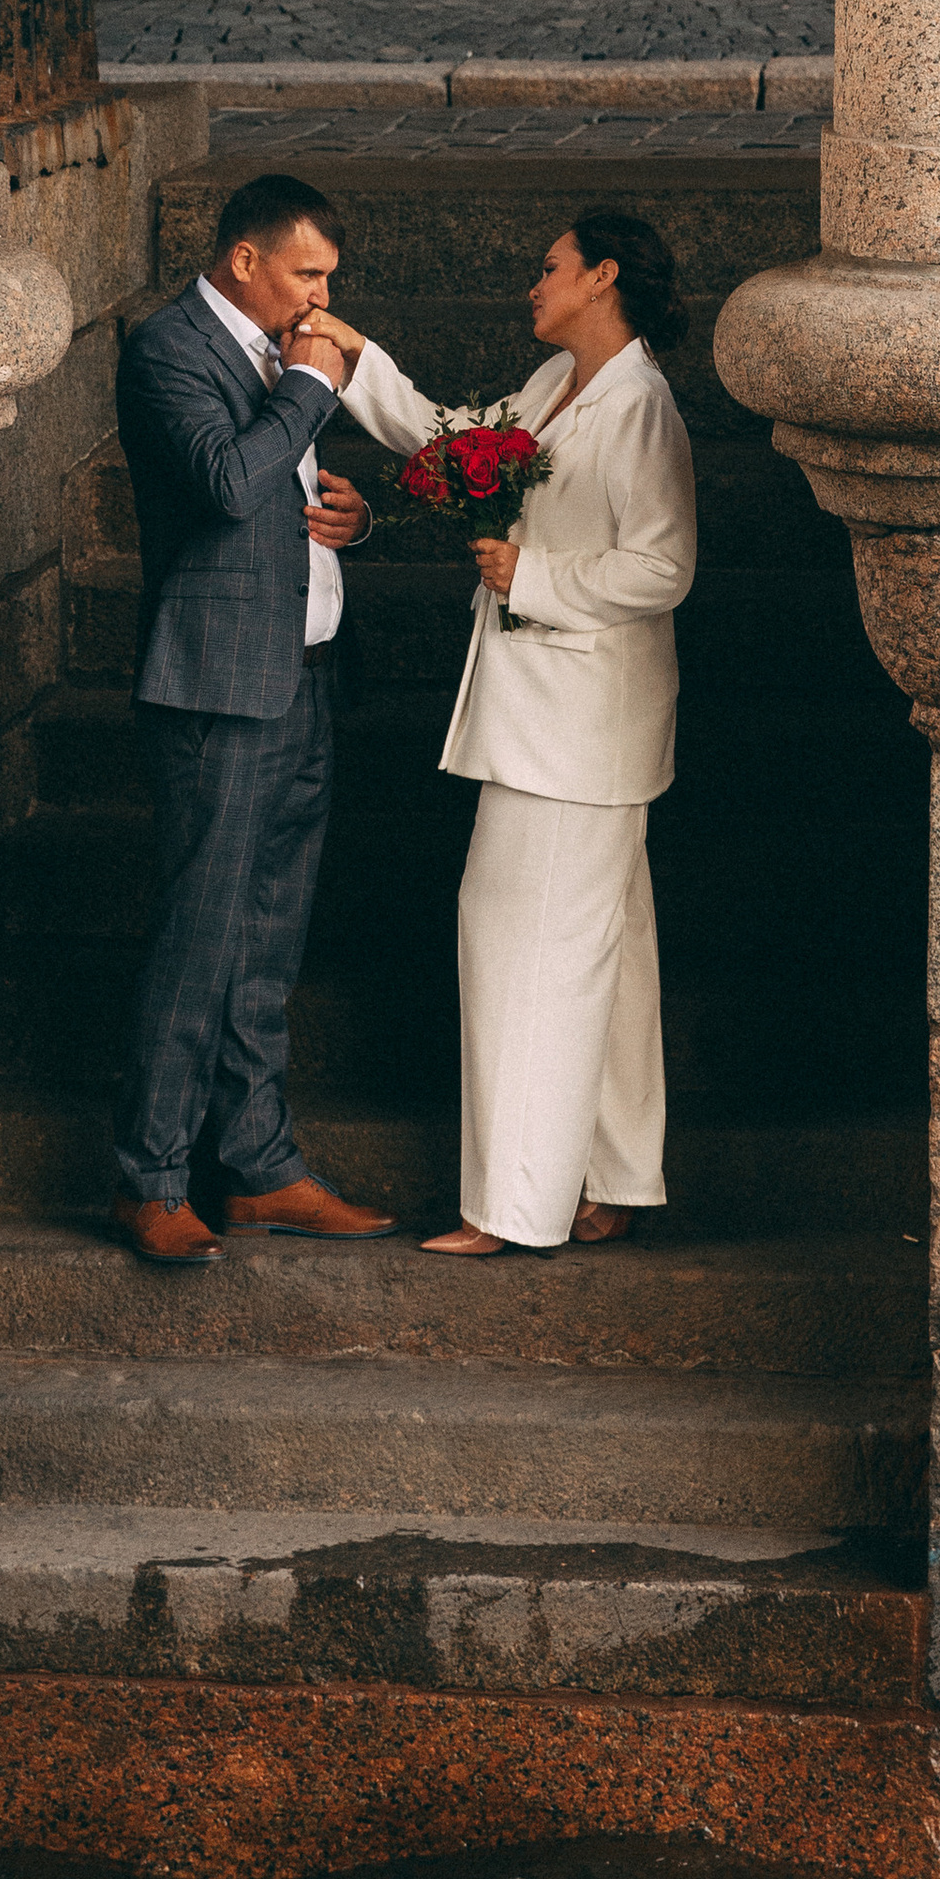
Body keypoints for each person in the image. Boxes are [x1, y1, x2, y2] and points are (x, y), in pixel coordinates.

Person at [329, 208, 696, 1257]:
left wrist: (531, 576)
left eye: (550, 269)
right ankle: (613, 1179)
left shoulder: (638, 407)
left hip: (579, 731)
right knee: (606, 963)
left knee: (516, 944)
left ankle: (510, 1208)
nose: (532, 286)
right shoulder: (552, 389)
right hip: (553, 721)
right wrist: (357, 358)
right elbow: (459, 440)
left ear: (602, 279)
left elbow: (664, 567)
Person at [108, 173, 394, 1265]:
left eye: (327, 277)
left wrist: (350, 523)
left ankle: (261, 1168)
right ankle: (153, 1178)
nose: (321, 296)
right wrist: (313, 392)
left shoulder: (284, 356)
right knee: (200, 938)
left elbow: (278, 494)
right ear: (245, 261)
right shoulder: (170, 349)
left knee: (269, 939)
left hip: (305, 670)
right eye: (307, 273)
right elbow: (227, 485)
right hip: (215, 688)